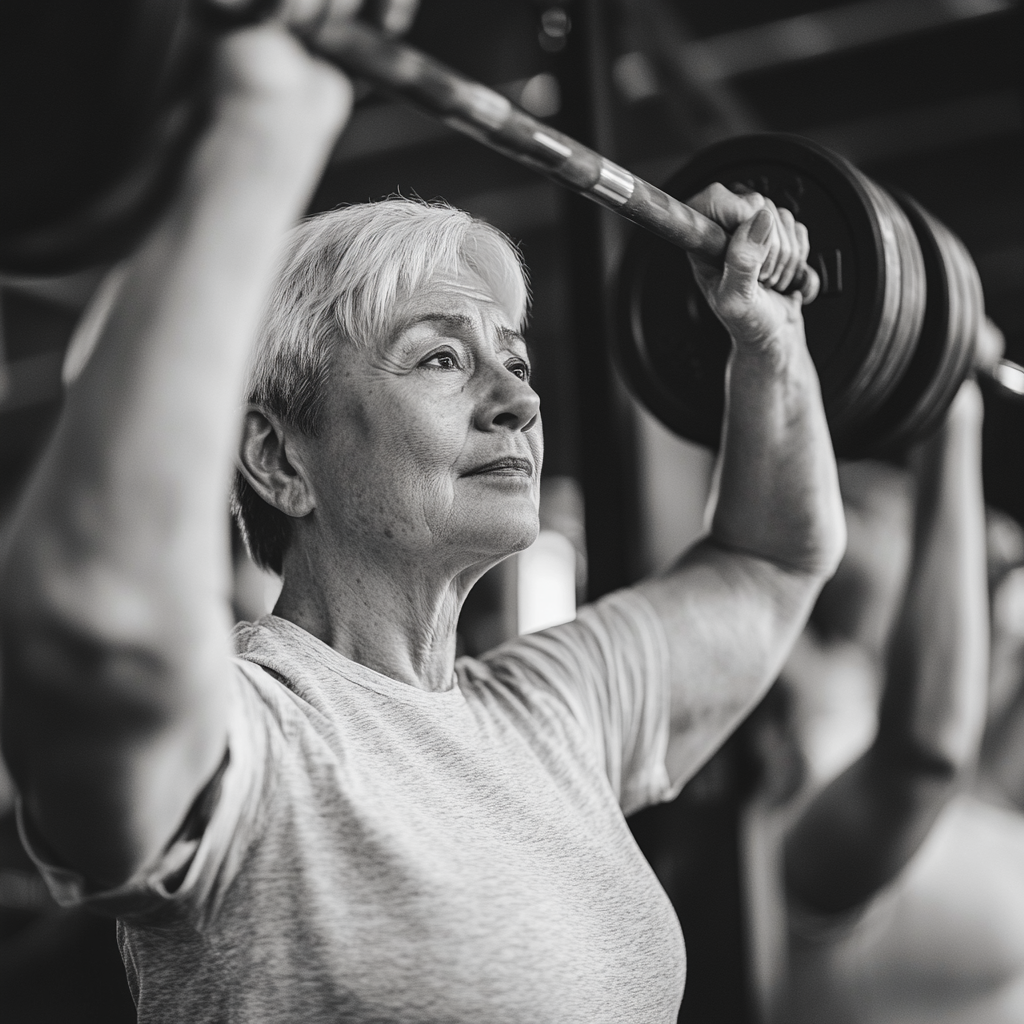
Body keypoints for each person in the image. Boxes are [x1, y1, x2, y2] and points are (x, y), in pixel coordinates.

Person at [0, 15, 843, 1024]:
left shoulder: (552, 714)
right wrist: (266, 118)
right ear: (278, 457)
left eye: (517, 362)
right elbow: (93, 623)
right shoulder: (254, 747)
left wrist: (768, 338)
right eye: (441, 358)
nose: (518, 403)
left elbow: (773, 558)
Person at [743, 371, 1024, 1023]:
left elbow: (973, 767)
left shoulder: (968, 785)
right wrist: (947, 416)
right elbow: (921, 757)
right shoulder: (806, 774)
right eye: (878, 507)